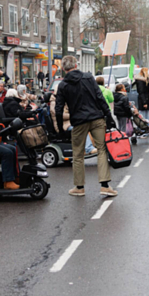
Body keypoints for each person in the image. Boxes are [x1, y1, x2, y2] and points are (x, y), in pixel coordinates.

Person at [54, 54, 116, 197]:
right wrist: (109, 116)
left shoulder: (63, 85)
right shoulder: (88, 77)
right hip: (96, 118)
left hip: (78, 121)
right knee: (101, 149)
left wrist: (59, 129)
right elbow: (100, 98)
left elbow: (58, 108)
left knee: (78, 154)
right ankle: (105, 186)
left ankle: (79, 187)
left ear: (63, 69)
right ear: (76, 65)